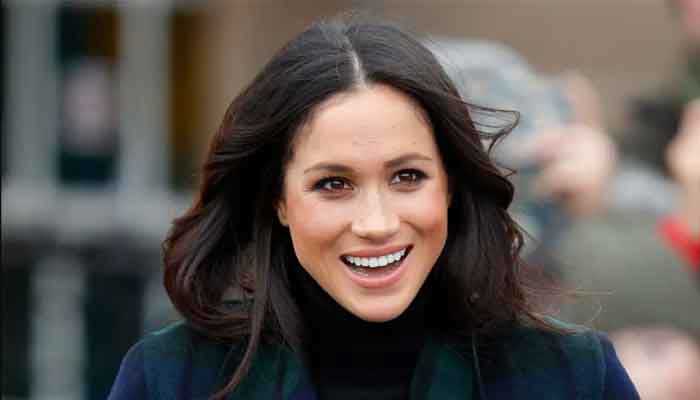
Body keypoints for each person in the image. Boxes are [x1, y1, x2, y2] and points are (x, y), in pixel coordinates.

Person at [107, 17, 639, 399]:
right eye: (334, 184)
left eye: (407, 177)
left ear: (450, 185)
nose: (377, 223)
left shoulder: (572, 378)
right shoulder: (174, 378)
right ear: (278, 200)